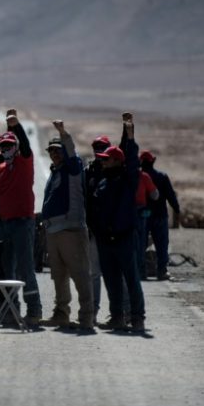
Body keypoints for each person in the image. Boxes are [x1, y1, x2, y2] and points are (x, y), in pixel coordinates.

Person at [92, 112, 146, 333]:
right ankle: (117, 317)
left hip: (124, 238)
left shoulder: (127, 180)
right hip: (106, 240)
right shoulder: (103, 182)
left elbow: (130, 159)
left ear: (116, 161)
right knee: (111, 281)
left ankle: (137, 318)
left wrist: (129, 135)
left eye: (107, 159)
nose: (102, 161)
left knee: (131, 280)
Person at [0, 108, 42, 327]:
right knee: (6, 269)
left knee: (25, 268)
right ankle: (10, 311)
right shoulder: (0, 168)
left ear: (16, 147)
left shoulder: (24, 162)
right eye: (3, 146)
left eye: (10, 145)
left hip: (22, 222)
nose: (7, 149)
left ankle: (34, 311)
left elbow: (26, 145)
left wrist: (13, 125)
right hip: (4, 224)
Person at [39, 120, 95, 331]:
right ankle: (61, 314)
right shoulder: (55, 172)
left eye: (57, 149)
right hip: (54, 231)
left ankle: (86, 317)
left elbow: (71, 152)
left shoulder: (73, 169)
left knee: (80, 274)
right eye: (51, 150)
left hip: (71, 230)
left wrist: (63, 133)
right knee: (59, 276)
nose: (54, 153)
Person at [140, 150, 181, 281]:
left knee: (141, 244)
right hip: (159, 215)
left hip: (143, 215)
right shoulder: (162, 177)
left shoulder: (138, 177)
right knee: (162, 244)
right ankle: (161, 271)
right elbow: (171, 195)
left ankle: (141, 272)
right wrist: (177, 209)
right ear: (153, 161)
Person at [83, 135, 110, 324]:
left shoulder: (115, 171)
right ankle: (92, 311)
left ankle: (121, 312)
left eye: (103, 148)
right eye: (97, 148)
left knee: (116, 272)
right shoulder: (89, 172)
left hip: (112, 231)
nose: (99, 152)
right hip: (93, 230)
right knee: (94, 273)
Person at [134, 162, 159, 280]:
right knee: (141, 242)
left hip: (125, 212)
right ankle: (141, 272)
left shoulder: (122, 176)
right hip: (140, 212)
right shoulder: (144, 177)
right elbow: (155, 195)